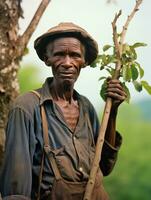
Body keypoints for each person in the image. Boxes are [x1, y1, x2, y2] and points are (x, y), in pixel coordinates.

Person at [0, 22, 126, 200]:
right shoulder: (27, 107)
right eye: (59, 54)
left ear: (84, 61)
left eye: (75, 55)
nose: (67, 63)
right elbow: (16, 189)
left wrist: (112, 112)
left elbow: (104, 167)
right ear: (47, 58)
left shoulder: (86, 107)